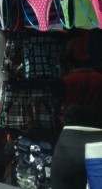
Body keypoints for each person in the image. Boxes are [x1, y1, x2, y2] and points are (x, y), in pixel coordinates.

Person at [51, 50, 102, 189]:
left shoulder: (66, 81)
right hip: (98, 139)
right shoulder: (99, 79)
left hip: (69, 139)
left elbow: (55, 102)